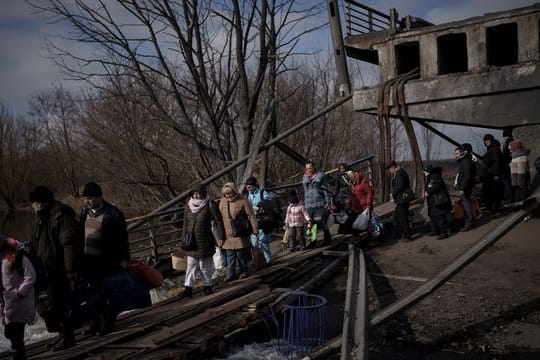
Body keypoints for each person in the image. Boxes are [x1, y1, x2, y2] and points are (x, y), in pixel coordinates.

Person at [29, 185, 83, 351]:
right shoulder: (43, 217)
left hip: (59, 268)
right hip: (47, 270)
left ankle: (68, 337)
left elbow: (69, 243)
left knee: (60, 304)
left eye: (34, 202)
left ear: (41, 202)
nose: (32, 206)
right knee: (49, 305)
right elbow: (36, 243)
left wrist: (70, 268)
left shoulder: (60, 215)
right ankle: (62, 334)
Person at [79, 181, 130, 336]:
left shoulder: (113, 213)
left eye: (90, 198)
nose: (87, 201)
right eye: (86, 198)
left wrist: (124, 258)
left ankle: (108, 322)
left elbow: (123, 238)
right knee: (91, 293)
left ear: (99, 197)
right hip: (89, 259)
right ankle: (93, 323)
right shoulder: (84, 212)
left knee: (108, 292)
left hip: (108, 259)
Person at [179, 184, 225, 298]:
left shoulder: (210, 204)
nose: (196, 195)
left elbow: (218, 221)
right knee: (191, 265)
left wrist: (221, 237)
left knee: (205, 265)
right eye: (194, 193)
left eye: (198, 193)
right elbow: (185, 223)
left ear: (203, 193)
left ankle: (207, 286)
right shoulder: (188, 206)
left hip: (205, 240)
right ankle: (188, 289)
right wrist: (183, 240)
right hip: (191, 241)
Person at [0, 235, 36, 360]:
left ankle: (18, 356)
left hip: (19, 301)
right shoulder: (4, 259)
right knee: (9, 333)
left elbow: (31, 275)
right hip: (8, 302)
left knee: (16, 335)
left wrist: (19, 292)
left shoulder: (14, 256)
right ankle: (18, 354)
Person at [218, 183, 258, 281]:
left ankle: (244, 270)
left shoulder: (243, 200)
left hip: (240, 231)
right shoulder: (222, 202)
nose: (229, 196)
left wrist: (255, 229)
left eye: (230, 193)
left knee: (241, 254)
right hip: (227, 233)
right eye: (226, 194)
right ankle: (230, 274)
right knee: (229, 255)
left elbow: (250, 215)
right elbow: (219, 217)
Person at [302, 161, 332, 246]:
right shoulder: (305, 177)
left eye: (310, 168)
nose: (308, 170)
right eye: (307, 168)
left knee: (321, 221)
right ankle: (313, 241)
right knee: (311, 223)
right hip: (309, 204)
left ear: (314, 167)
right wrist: (304, 203)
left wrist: (327, 201)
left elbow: (325, 189)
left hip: (319, 202)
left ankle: (327, 238)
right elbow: (305, 191)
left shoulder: (320, 176)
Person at [245, 176, 272, 264]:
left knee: (264, 240)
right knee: (254, 242)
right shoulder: (247, 195)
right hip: (252, 220)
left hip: (263, 219)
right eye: (247, 187)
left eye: (249, 187)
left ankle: (268, 259)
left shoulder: (262, 193)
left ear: (254, 185)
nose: (248, 188)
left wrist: (260, 206)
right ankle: (258, 261)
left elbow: (269, 202)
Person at [386, 161, 412, 241]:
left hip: (402, 199)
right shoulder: (398, 173)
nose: (389, 171)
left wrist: (393, 193)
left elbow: (400, 185)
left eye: (389, 169)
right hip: (400, 199)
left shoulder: (400, 173)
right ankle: (398, 233)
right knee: (397, 216)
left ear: (393, 167)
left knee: (403, 217)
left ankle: (407, 235)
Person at [424, 165, 452, 240]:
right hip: (433, 201)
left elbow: (436, 186)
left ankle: (444, 232)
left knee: (439, 216)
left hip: (437, 201)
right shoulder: (430, 177)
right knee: (433, 216)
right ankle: (435, 230)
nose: (424, 173)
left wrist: (428, 192)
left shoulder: (435, 176)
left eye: (425, 171)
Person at [454, 145, 477, 231]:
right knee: (466, 204)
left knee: (466, 205)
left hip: (466, 187)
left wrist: (463, 188)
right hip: (465, 186)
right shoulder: (464, 162)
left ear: (463, 153)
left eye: (457, 153)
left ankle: (469, 223)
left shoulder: (466, 162)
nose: (455, 155)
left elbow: (467, 177)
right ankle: (468, 222)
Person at [481, 134, 503, 212]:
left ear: (491, 140)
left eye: (488, 140)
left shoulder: (494, 149)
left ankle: (493, 207)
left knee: (492, 191)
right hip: (491, 173)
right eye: (485, 140)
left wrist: (496, 174)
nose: (487, 142)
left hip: (493, 174)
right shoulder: (492, 148)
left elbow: (497, 162)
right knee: (491, 191)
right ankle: (492, 206)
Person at [348, 171, 374, 235]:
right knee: (355, 223)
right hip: (357, 207)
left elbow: (369, 193)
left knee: (368, 223)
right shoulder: (354, 184)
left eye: (350, 177)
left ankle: (374, 237)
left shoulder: (363, 182)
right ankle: (357, 237)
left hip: (364, 206)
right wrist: (350, 203)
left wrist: (368, 203)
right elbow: (354, 195)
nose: (350, 179)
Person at [501, 127, 514, 201]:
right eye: (504, 136)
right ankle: (511, 198)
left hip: (509, 166)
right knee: (508, 182)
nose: (505, 137)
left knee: (510, 183)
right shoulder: (505, 144)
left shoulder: (510, 144)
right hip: (506, 166)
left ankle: (511, 198)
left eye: (506, 136)